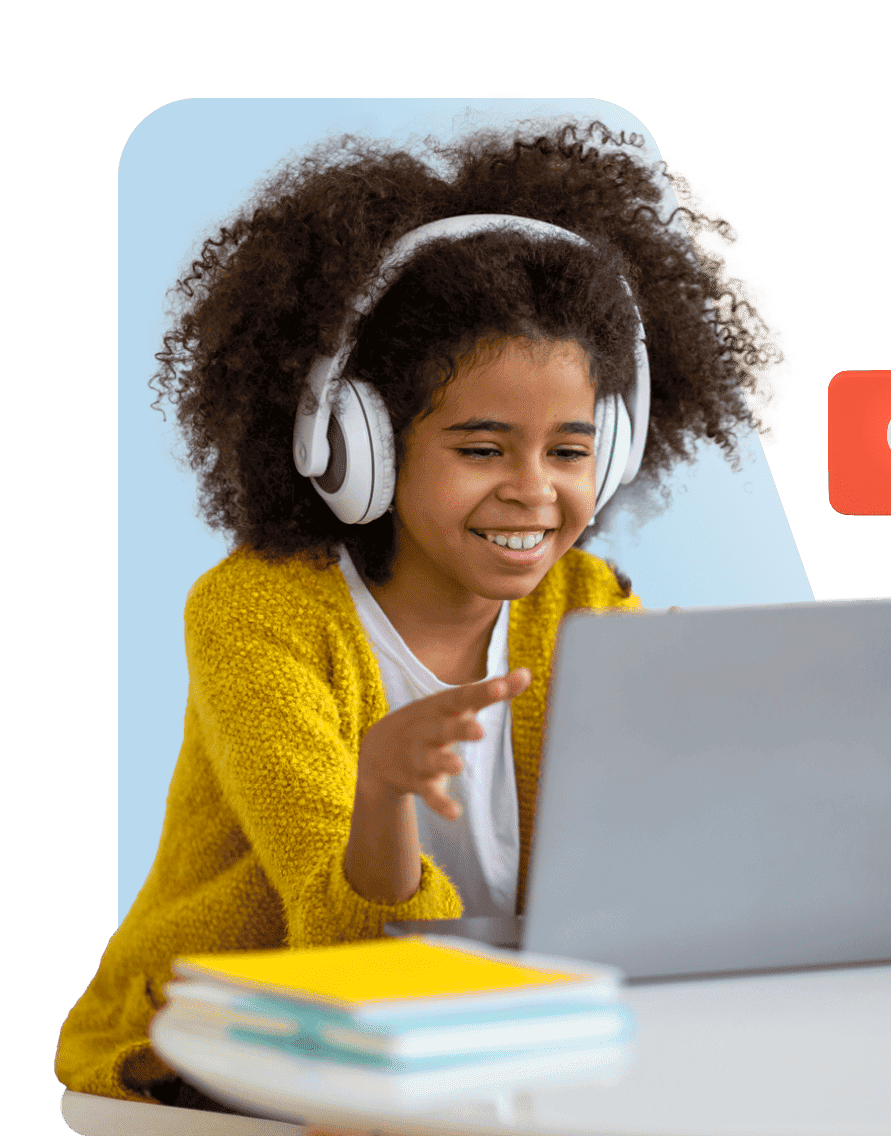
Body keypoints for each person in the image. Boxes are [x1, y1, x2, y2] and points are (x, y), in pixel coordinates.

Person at [57, 120, 788, 1107]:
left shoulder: (587, 606)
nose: (533, 491)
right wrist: (381, 794)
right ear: (358, 445)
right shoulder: (254, 614)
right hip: (234, 1032)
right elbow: (349, 953)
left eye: (569, 451)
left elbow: (632, 891)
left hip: (484, 1030)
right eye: (482, 448)